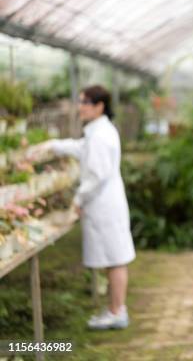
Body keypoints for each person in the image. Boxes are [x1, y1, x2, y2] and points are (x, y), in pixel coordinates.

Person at [32, 85, 135, 330]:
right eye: (80, 102)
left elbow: (96, 175)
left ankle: (117, 311)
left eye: (85, 102)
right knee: (114, 257)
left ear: (100, 106)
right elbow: (82, 149)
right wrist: (54, 145)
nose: (80, 107)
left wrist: (77, 200)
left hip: (104, 203)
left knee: (115, 258)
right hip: (105, 202)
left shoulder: (101, 134)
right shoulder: (99, 131)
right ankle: (115, 308)